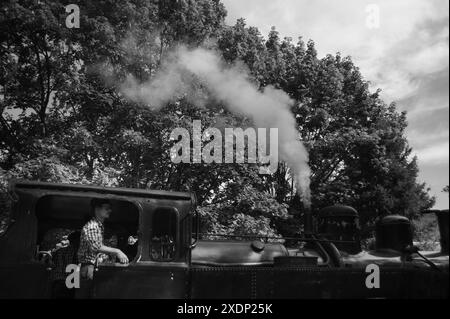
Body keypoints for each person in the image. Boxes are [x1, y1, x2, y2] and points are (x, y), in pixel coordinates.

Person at [76, 198, 129, 298]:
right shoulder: (92, 226)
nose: (110, 211)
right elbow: (96, 246)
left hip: (92, 268)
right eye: (107, 208)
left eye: (110, 208)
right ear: (97, 209)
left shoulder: (99, 226)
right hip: (88, 269)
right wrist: (118, 251)